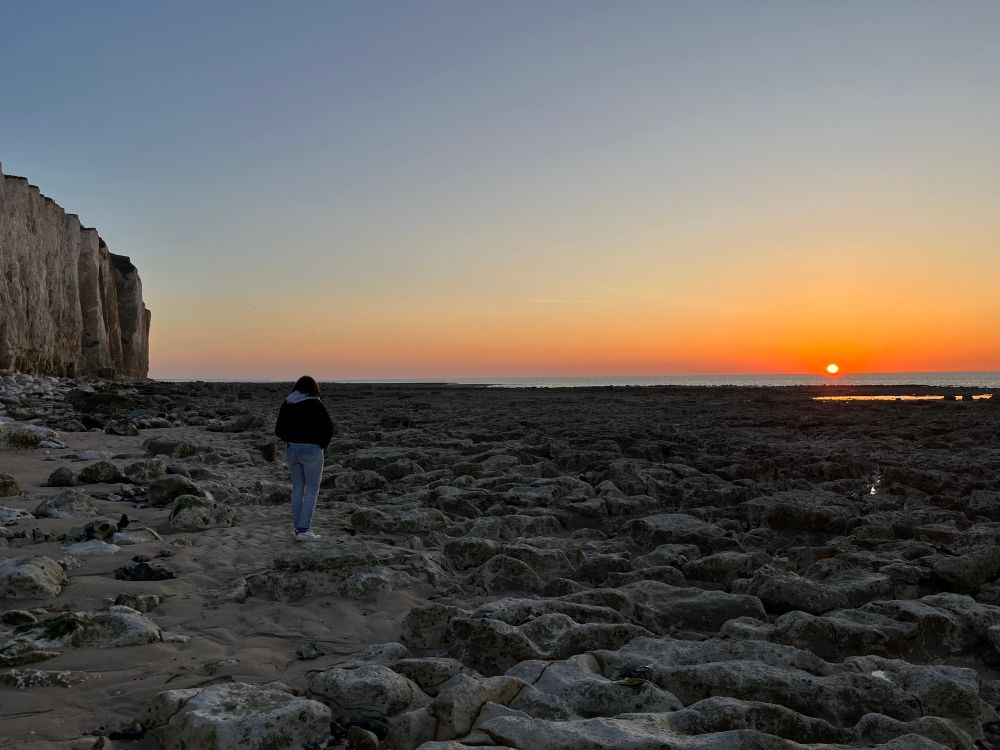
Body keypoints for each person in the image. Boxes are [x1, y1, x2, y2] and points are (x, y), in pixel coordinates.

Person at [274, 375, 334, 541]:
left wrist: (291, 439)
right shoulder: (315, 403)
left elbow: (278, 429)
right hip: (312, 450)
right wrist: (322, 444)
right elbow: (328, 427)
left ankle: (298, 528)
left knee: (298, 488)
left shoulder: (288, 403)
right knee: (312, 490)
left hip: (292, 449)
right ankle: (304, 529)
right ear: (313, 389)